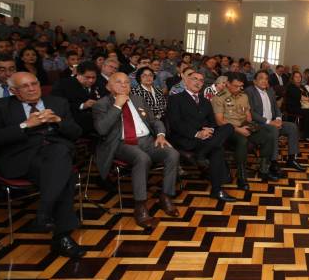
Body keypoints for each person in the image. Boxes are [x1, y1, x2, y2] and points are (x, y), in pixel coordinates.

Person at [0, 72, 85, 258]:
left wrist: (58, 121)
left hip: (54, 154)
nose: (32, 88)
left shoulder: (57, 103)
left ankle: (46, 216)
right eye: (25, 86)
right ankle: (60, 234)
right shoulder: (0, 106)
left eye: (34, 83)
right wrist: (25, 125)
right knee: (65, 173)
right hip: (22, 158)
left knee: (59, 153)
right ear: (13, 91)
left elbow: (76, 133)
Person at [93, 73, 180, 229]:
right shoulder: (102, 104)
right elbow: (101, 130)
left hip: (146, 140)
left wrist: (160, 134)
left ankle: (165, 196)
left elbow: (154, 120)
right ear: (109, 86)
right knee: (142, 158)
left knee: (172, 153)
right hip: (121, 143)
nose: (124, 85)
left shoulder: (137, 99)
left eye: (126, 82)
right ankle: (140, 206)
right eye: (118, 82)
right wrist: (117, 106)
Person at [166, 71, 236, 202]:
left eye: (201, 80)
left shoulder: (205, 101)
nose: (198, 82)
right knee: (217, 149)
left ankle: (201, 154)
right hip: (186, 138)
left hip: (206, 138)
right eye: (194, 79)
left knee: (229, 127)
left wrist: (209, 130)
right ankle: (216, 190)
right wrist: (197, 133)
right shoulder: (175, 99)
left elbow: (213, 123)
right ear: (186, 81)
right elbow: (175, 124)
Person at [212, 74, 277, 187]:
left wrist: (250, 125)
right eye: (236, 86)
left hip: (244, 125)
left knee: (268, 136)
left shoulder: (244, 96)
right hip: (228, 129)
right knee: (242, 140)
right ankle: (241, 176)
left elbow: (248, 116)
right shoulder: (219, 97)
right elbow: (219, 121)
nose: (239, 89)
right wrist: (239, 129)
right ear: (227, 84)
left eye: (241, 86)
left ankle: (263, 170)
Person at [246, 70, 305, 174]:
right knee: (273, 129)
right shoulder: (249, 91)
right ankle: (273, 162)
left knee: (292, 127)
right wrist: (269, 122)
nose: (264, 81)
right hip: (259, 124)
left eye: (266, 79)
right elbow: (252, 113)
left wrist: (278, 119)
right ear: (255, 81)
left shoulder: (270, 91)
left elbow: (276, 108)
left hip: (273, 121)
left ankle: (291, 159)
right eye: (261, 78)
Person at [50, 60, 101, 136]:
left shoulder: (98, 83)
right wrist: (82, 105)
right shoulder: (63, 84)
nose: (91, 80)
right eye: (87, 77)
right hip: (74, 121)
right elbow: (58, 106)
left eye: (94, 77)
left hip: (96, 118)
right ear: (78, 74)